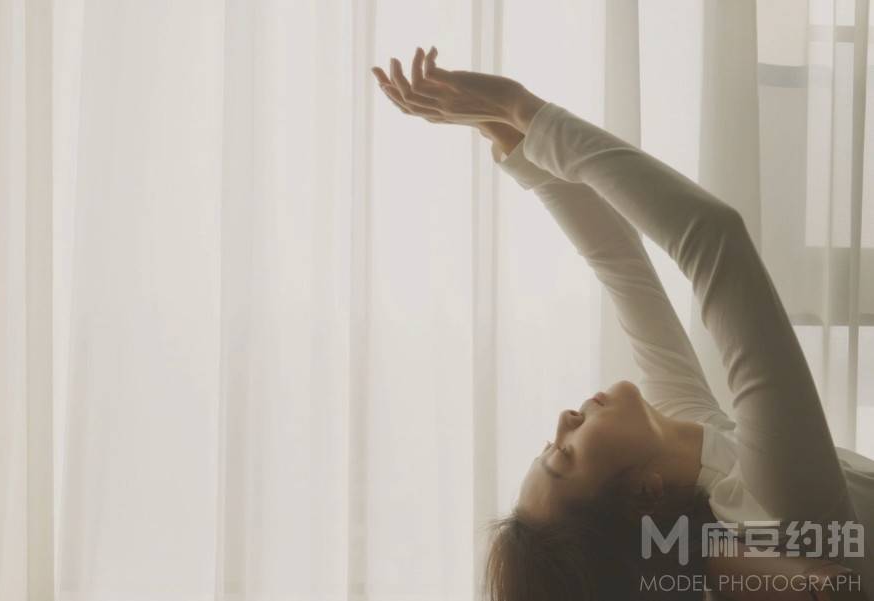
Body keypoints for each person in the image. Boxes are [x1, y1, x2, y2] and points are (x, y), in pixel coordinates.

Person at [371, 47, 874, 601]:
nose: (564, 419)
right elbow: (714, 238)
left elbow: (620, 266)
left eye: (550, 442)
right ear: (644, 493)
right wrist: (521, 107)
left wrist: (509, 139)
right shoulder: (773, 511)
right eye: (565, 454)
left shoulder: (704, 456)